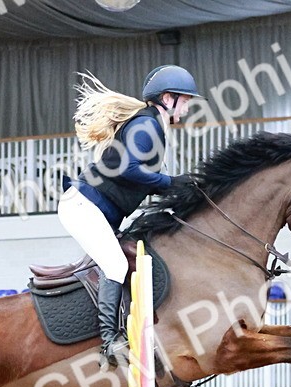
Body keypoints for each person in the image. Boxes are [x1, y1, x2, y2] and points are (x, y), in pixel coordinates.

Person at [58, 65, 199, 370]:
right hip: (83, 206)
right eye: (185, 100)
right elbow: (128, 168)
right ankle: (110, 341)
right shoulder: (147, 126)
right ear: (167, 98)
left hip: (98, 210)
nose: (188, 107)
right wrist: (170, 182)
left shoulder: (151, 125)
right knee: (116, 264)